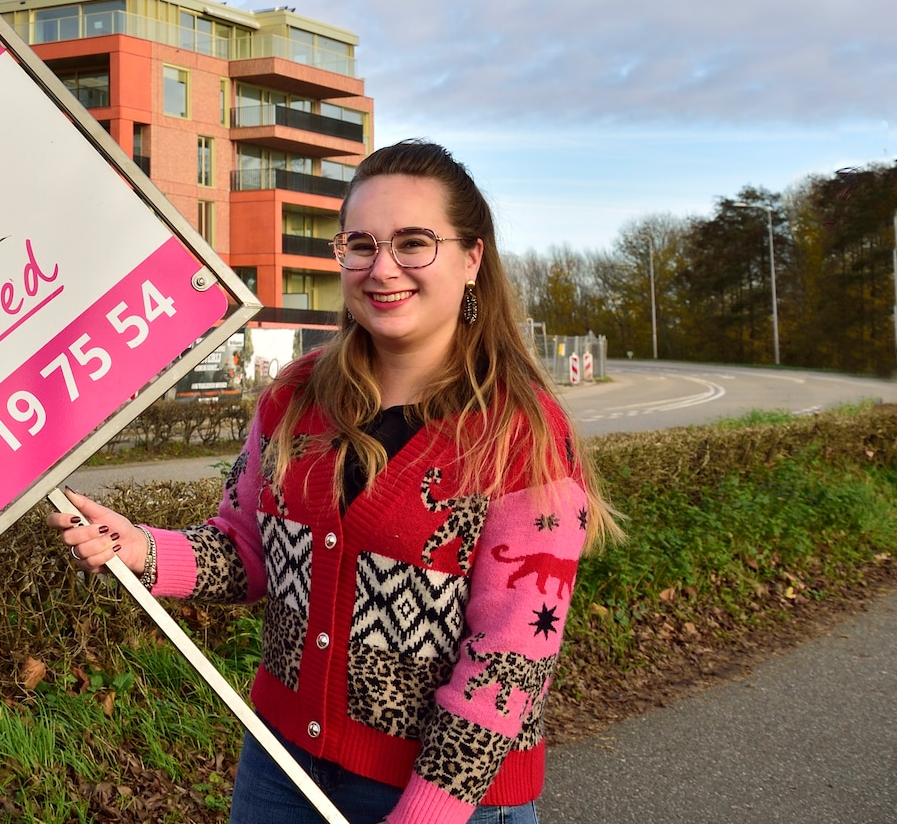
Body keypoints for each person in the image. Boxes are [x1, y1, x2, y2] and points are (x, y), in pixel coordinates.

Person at [52, 140, 618, 824]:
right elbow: (248, 550)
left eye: (414, 243)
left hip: (440, 798)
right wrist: (139, 547)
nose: (382, 268)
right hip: (280, 767)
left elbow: (509, 660)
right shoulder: (291, 398)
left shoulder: (519, 435)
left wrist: (427, 813)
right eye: (360, 245)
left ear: (472, 258)